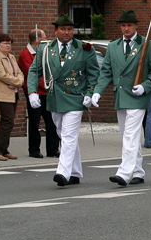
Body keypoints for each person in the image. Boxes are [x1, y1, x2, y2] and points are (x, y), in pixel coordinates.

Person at [27, 15, 99, 186]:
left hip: (75, 97)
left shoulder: (84, 48)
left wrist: (90, 92)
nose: (67, 32)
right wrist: (32, 92)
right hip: (54, 98)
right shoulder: (45, 49)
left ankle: (63, 172)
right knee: (63, 134)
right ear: (56, 30)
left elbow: (93, 73)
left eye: (70, 29)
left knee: (68, 135)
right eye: (63, 29)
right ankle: (75, 172)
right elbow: (34, 71)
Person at [93, 10, 151, 187]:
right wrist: (97, 92)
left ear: (136, 26)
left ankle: (124, 172)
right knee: (128, 136)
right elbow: (106, 71)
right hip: (121, 95)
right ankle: (138, 170)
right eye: (123, 25)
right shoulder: (114, 46)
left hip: (138, 96)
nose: (126, 28)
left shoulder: (147, 45)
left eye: (129, 25)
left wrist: (145, 86)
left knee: (130, 134)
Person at [18, 28, 60, 158]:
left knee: (51, 121)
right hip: (35, 93)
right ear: (38, 40)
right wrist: (48, 84)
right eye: (44, 37)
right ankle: (34, 149)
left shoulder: (44, 52)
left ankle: (53, 149)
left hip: (47, 93)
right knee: (34, 122)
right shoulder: (26, 54)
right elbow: (33, 74)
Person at [0, 33, 24, 162]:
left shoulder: (11, 57)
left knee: (7, 122)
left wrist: (17, 81)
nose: (8, 45)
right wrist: (17, 81)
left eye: (9, 43)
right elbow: (2, 75)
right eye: (5, 43)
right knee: (8, 122)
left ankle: (4, 150)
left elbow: (19, 72)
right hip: (3, 95)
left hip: (13, 93)